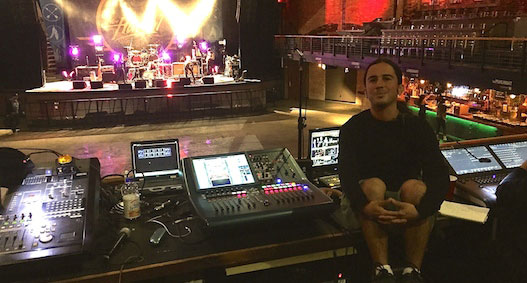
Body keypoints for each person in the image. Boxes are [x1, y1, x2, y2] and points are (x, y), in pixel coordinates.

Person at [338, 58, 449, 283]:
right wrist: (366, 205)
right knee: (374, 185)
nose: (379, 84)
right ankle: (382, 269)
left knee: (415, 187)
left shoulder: (418, 127)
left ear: (399, 88)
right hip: (365, 203)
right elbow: (347, 177)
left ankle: (412, 272)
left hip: (407, 205)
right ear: (366, 89)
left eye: (386, 78)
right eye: (373, 80)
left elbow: (439, 176)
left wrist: (419, 211)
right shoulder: (352, 128)